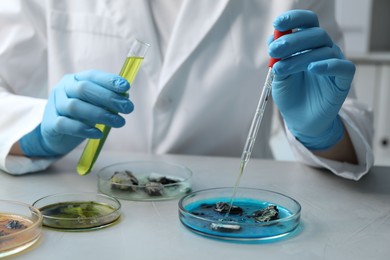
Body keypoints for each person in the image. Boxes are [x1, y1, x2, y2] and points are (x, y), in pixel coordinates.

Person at [0, 0, 374, 180]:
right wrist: (35, 134)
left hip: (226, 216)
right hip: (81, 202)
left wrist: (322, 133)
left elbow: (352, 125)